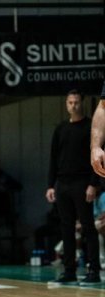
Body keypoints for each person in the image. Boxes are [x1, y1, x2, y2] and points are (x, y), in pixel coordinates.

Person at [47, 89, 101, 284]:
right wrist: (50, 185)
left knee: (88, 227)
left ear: (82, 103)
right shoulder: (60, 129)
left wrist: (93, 184)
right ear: (66, 104)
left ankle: (93, 270)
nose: (73, 106)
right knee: (66, 228)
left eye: (76, 102)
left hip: (82, 183)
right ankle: (69, 270)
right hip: (62, 183)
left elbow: (97, 157)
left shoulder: (89, 128)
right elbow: (53, 159)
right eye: (70, 102)